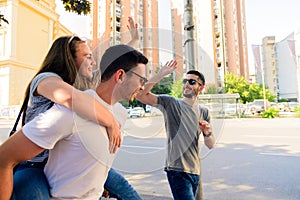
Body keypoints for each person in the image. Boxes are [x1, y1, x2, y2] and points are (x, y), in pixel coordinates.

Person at [9, 17, 142, 200]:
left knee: (124, 189)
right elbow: (70, 98)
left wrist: (132, 43)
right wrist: (111, 122)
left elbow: (114, 73)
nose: (93, 62)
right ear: (69, 59)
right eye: (87, 57)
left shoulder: (81, 82)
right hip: (34, 164)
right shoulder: (47, 79)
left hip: (66, 163)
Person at [136, 63, 216, 200]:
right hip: (177, 169)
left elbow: (210, 144)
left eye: (192, 82)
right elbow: (140, 95)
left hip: (195, 171)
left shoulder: (204, 111)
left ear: (200, 88)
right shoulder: (172, 103)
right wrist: (160, 74)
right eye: (185, 81)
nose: (186, 84)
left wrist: (207, 132)